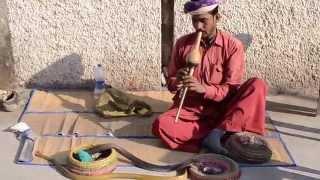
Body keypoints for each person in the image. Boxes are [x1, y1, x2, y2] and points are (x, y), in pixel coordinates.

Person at [152, 0, 267, 154]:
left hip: (223, 109)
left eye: (203, 20)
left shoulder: (233, 46)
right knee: (161, 125)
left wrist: (204, 89)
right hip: (191, 110)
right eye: (194, 21)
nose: (198, 26)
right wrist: (177, 80)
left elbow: (231, 89)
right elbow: (171, 85)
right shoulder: (182, 44)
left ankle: (219, 132)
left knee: (257, 85)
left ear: (216, 18)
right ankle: (222, 136)